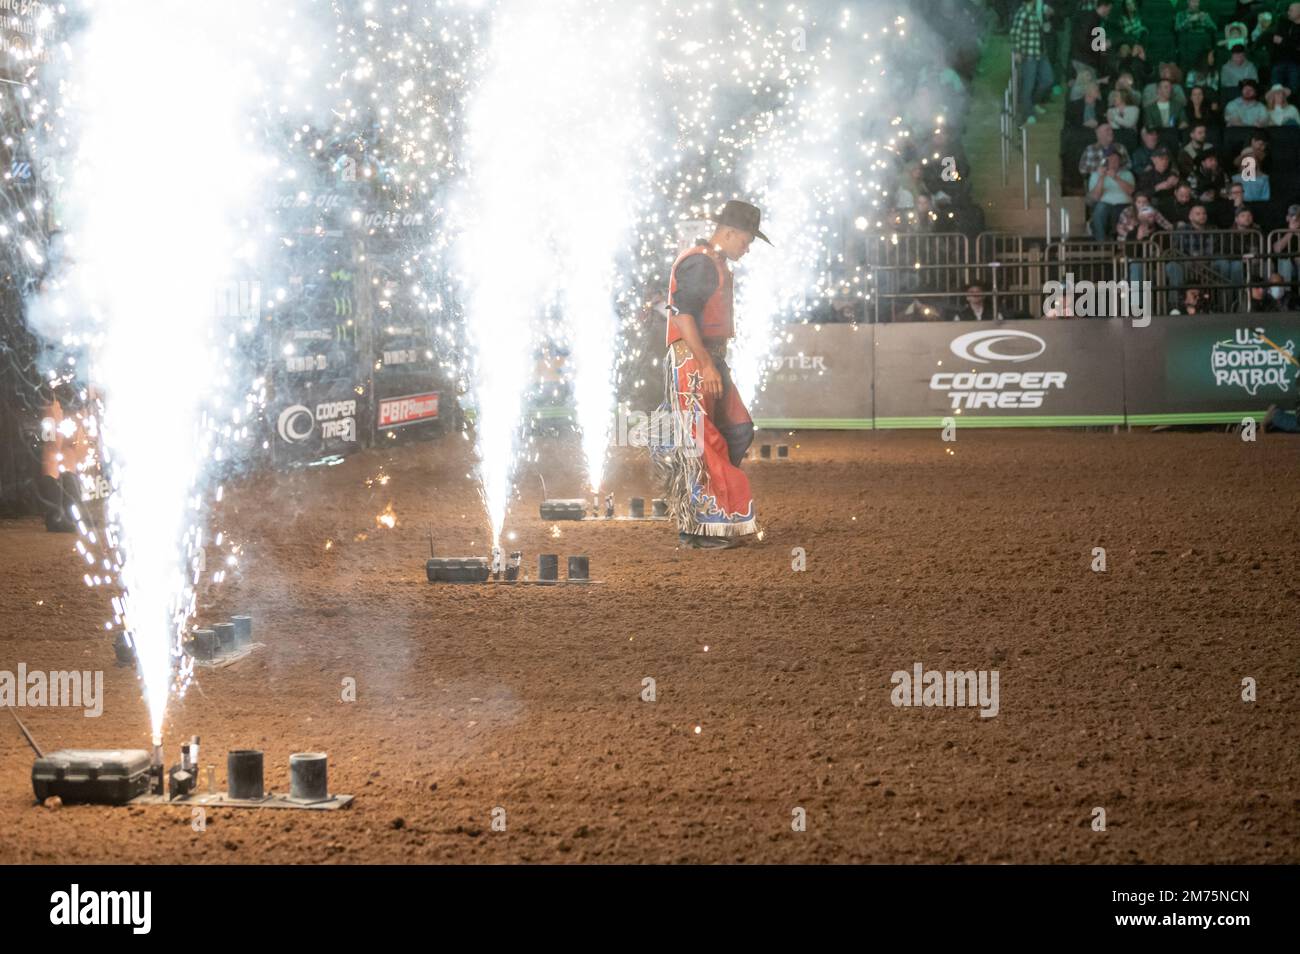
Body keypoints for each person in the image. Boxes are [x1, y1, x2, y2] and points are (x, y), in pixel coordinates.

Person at [656, 199, 765, 549]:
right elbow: (683, 315)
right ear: (730, 232)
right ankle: (702, 524)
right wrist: (705, 363)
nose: (747, 249)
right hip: (694, 359)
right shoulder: (702, 262)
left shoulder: (711, 261)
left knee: (737, 428)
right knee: (704, 441)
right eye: (746, 241)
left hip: (707, 358)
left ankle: (709, 511)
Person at [1012, 0, 1054, 125]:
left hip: (1040, 53)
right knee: (1028, 85)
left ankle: (1033, 103)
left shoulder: (1034, 11)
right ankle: (1028, 112)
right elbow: (1015, 33)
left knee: (1048, 80)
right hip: (1029, 54)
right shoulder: (1023, 12)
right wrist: (1017, 51)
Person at [1088, 149, 1136, 240]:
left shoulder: (1127, 174)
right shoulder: (1095, 175)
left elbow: (1131, 192)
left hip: (1124, 204)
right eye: (1109, 160)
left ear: (1120, 162)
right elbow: (1096, 197)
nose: (1113, 162)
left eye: (1116, 160)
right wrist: (1101, 177)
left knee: (1125, 211)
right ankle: (1102, 244)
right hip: (1105, 204)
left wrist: (1115, 178)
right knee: (1100, 209)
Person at [1271, 3, 1300, 95]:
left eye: (1291, 10)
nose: (1288, 12)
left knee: (1293, 90)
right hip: (1279, 60)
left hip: (1296, 63)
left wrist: (1284, 42)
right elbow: (1275, 39)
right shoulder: (1284, 23)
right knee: (1275, 89)